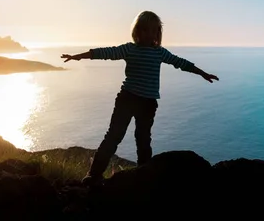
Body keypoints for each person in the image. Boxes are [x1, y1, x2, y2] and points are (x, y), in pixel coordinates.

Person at [61, 10, 219, 186]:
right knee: (114, 136)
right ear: (137, 31)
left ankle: (144, 177)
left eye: (153, 31)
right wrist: (77, 57)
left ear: (157, 33)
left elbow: (180, 63)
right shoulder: (130, 49)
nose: (148, 34)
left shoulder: (160, 53)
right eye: (145, 30)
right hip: (127, 99)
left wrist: (202, 73)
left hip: (148, 104)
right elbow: (105, 53)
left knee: (143, 139)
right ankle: (93, 175)